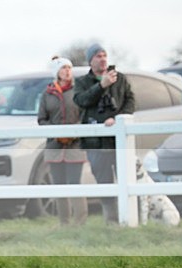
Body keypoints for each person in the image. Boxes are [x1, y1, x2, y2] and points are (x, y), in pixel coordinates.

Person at [74, 43, 135, 224]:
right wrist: (101, 86)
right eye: (98, 56)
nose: (102, 59)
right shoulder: (82, 82)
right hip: (96, 142)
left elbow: (131, 102)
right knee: (104, 181)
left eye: (104, 55)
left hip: (119, 141)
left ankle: (129, 219)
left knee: (127, 178)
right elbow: (81, 101)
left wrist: (117, 119)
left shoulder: (121, 79)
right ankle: (112, 221)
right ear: (90, 61)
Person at [37, 57, 88, 226]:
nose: (67, 71)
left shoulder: (78, 91)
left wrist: (74, 133)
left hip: (75, 146)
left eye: (69, 68)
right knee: (58, 186)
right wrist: (56, 133)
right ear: (56, 72)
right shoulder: (47, 94)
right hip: (54, 147)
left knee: (75, 184)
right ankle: (64, 223)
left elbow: (84, 116)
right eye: (63, 68)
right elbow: (42, 119)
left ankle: (80, 222)